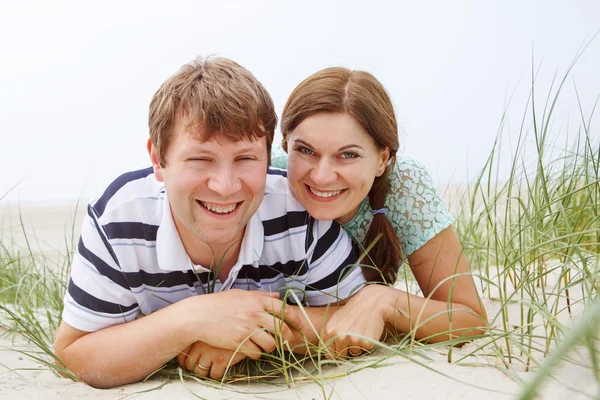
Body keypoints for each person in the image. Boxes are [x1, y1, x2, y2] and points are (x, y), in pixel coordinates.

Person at [53, 57, 367, 388]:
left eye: (245, 158)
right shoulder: (119, 218)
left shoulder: (300, 212)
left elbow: (356, 317)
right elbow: (71, 357)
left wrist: (248, 336)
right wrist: (191, 320)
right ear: (159, 159)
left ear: (267, 155)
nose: (225, 185)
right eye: (201, 159)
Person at [271, 67, 488, 358]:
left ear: (382, 159)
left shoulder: (404, 188)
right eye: (306, 151)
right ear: (286, 145)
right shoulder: (264, 179)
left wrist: (383, 301)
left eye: (347, 155)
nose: (321, 176)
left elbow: (469, 319)